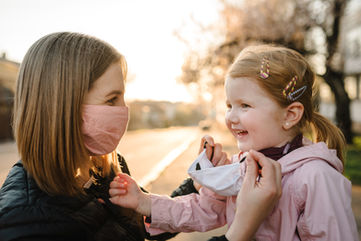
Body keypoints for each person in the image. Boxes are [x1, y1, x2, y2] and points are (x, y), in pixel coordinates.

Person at [0, 32, 281, 241]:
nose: (124, 111)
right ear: (62, 106)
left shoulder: (103, 167)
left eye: (123, 97)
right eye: (112, 100)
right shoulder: (25, 223)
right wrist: (243, 227)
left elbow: (140, 227)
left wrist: (197, 185)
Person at [109, 44, 359, 240]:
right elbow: (202, 210)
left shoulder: (316, 177)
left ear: (290, 115)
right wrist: (145, 202)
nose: (231, 117)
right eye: (229, 105)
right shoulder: (242, 165)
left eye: (245, 106)